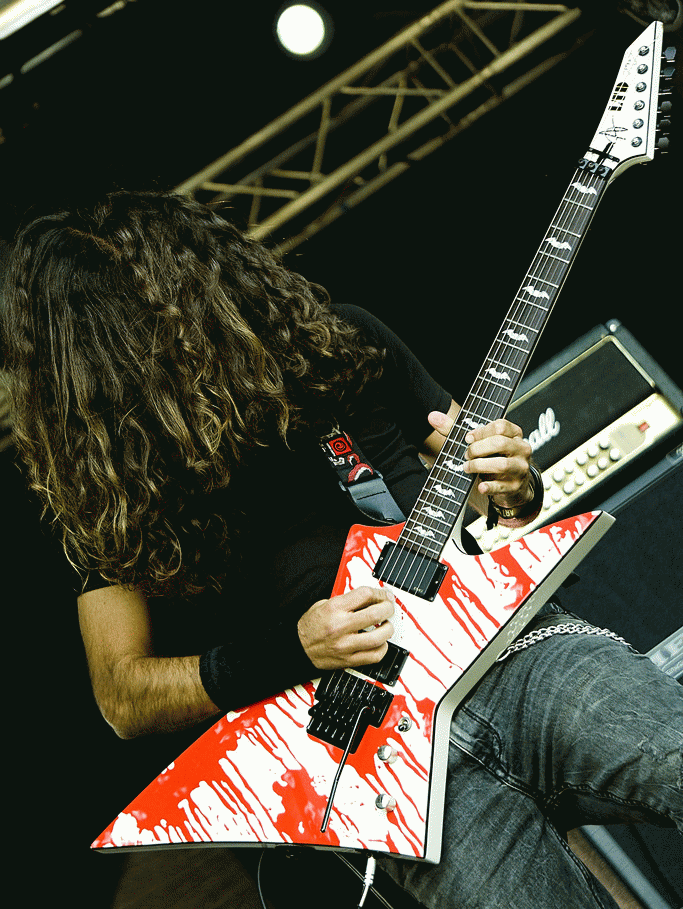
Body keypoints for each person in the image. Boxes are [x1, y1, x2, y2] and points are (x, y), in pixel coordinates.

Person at [1, 191, 680, 909]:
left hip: (514, 655)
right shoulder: (102, 495)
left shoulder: (332, 343)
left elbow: (488, 485)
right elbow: (122, 695)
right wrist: (291, 650)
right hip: (376, 762)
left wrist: (514, 481)